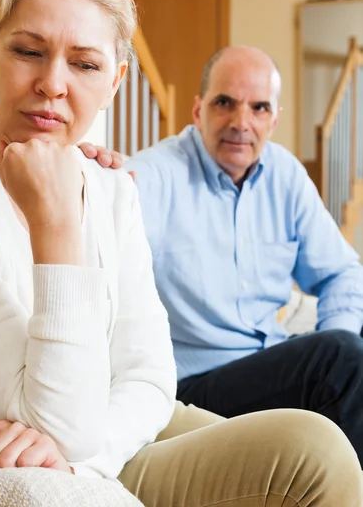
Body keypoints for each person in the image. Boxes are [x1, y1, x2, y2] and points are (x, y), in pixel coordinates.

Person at [0, 0, 361, 507]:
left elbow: (151, 372)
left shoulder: (108, 185)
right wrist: (56, 223)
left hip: (112, 425)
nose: (52, 84)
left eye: (84, 65)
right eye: (27, 51)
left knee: (320, 439)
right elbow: (60, 422)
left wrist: (90, 456)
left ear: (114, 82)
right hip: (21, 447)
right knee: (315, 456)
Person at [83, 44, 363, 466]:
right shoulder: (161, 173)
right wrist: (99, 179)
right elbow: (109, 208)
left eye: (259, 108)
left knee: (346, 351)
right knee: (338, 360)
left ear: (275, 118)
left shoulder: (285, 175)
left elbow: (340, 271)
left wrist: (341, 333)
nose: (241, 123)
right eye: (224, 103)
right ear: (198, 111)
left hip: (269, 363)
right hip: (194, 384)